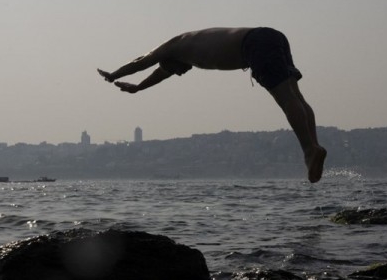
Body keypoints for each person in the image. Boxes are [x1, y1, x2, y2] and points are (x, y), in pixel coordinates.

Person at [97, 27, 327, 183]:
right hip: (271, 37)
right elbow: (161, 74)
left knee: (285, 98)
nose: (180, 71)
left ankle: (309, 149)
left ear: (168, 60)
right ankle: (313, 146)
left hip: (253, 44)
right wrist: (138, 88)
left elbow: (143, 61)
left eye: (176, 69)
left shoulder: (174, 45)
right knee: (296, 96)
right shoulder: (186, 51)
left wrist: (115, 74)